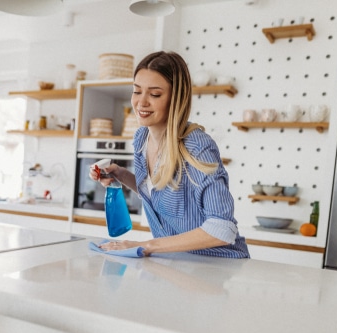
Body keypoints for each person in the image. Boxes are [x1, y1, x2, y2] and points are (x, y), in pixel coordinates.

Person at [89, 50, 249, 258]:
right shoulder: (141, 139)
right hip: (177, 262)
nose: (141, 102)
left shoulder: (197, 146)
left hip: (216, 265)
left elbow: (222, 229)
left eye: (154, 94)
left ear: (176, 99)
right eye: (137, 91)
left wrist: (146, 245)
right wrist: (120, 174)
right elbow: (160, 193)